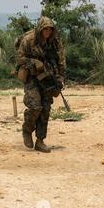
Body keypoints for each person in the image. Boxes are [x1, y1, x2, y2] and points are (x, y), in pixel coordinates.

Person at [15, 17, 66, 153]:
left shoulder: (55, 42)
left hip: (48, 77)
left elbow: (60, 60)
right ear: (40, 29)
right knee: (35, 106)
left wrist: (60, 77)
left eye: (50, 29)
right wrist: (33, 62)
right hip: (32, 77)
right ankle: (27, 130)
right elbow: (19, 59)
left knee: (45, 109)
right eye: (45, 29)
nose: (48, 32)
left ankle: (40, 140)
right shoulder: (29, 40)